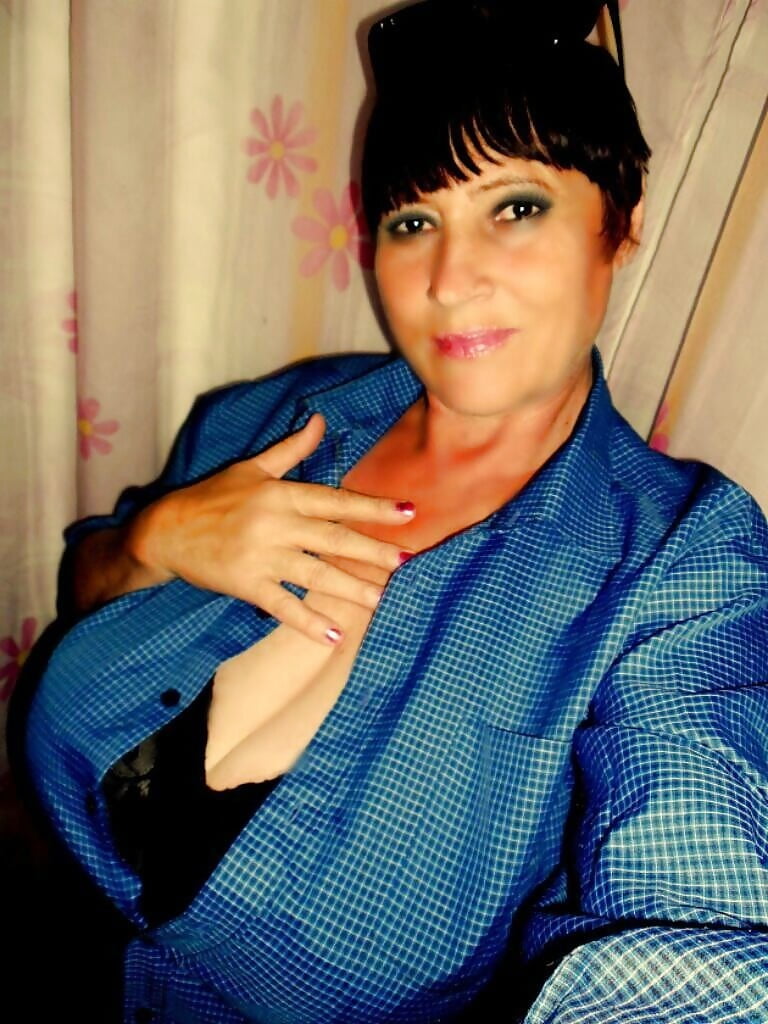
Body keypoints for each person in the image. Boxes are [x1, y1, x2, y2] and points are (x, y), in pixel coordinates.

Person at [13, 1, 768, 1022]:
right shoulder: (276, 418)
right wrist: (156, 541)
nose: (450, 280)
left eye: (516, 208)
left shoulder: (682, 565)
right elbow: (86, 582)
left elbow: (697, 889)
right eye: (414, 222)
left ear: (620, 226)